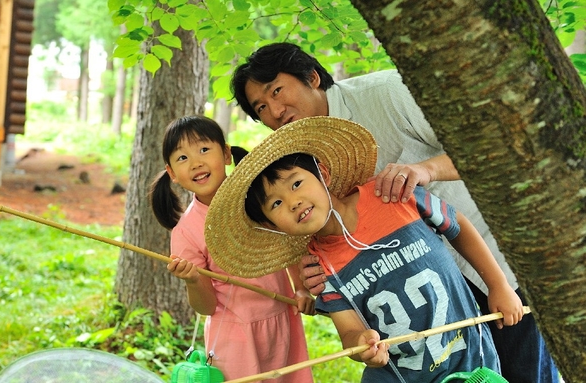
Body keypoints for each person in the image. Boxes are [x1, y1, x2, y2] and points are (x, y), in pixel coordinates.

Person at [230, 42, 559, 382]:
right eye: (261, 107)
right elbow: (322, 227)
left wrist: (426, 170)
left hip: (491, 252)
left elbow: (488, 144)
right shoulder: (298, 161)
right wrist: (309, 267)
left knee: (523, 368)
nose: (275, 110)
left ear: (312, 77)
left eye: (277, 91)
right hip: (420, 295)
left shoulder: (388, 93)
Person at [204, 116, 524, 382]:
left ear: (323, 174)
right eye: (276, 203)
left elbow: (459, 228)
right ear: (273, 226)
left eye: (296, 183)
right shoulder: (320, 269)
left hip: (469, 358)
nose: (293, 201)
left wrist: (498, 285)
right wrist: (361, 347)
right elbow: (349, 331)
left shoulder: (392, 196)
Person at [149, 115, 315, 382]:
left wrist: (301, 286)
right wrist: (193, 280)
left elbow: (287, 242)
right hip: (235, 336)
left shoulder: (257, 199)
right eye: (182, 158)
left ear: (226, 154)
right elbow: (206, 306)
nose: (196, 163)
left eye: (204, 149)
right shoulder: (187, 232)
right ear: (172, 174)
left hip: (283, 319)